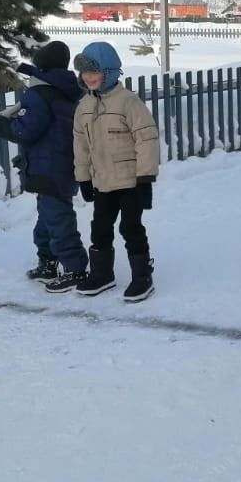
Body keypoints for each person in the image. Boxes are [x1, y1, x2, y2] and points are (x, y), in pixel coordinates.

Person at [0, 40, 88, 292]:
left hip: (49, 168)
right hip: (56, 164)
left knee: (58, 219)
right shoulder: (66, 92)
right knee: (47, 219)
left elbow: (25, 131)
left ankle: (76, 268)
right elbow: (51, 133)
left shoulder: (39, 95)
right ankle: (47, 263)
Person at [71, 41, 160, 301]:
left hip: (131, 181)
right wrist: (84, 178)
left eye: (93, 72)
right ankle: (102, 274)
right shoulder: (84, 107)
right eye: (85, 72)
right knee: (100, 228)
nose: (88, 77)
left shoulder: (128, 102)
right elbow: (81, 145)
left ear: (108, 72)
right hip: (102, 182)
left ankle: (142, 276)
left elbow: (147, 139)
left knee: (131, 228)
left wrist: (145, 179)